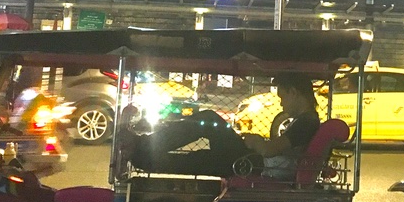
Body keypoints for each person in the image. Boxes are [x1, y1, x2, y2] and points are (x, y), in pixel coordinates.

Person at [133, 75, 320, 179]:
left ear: (294, 93)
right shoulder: (307, 120)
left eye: (282, 97)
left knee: (207, 120)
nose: (281, 104)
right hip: (253, 160)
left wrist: (254, 140)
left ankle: (143, 148)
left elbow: (269, 150)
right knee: (203, 158)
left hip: (254, 163)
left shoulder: (306, 121)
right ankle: (144, 154)